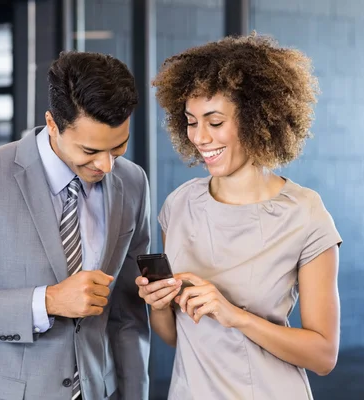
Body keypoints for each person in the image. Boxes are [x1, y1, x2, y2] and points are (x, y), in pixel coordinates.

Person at [0, 51, 151, 400]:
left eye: (118, 147)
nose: (106, 165)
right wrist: (48, 302)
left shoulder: (133, 181)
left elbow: (128, 314)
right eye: (89, 150)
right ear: (53, 124)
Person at [137, 33, 342, 399]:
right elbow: (174, 336)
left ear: (255, 119)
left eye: (215, 123)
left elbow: (324, 355)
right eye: (190, 121)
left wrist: (236, 316)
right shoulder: (178, 206)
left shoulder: (305, 214)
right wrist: (159, 305)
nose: (200, 138)